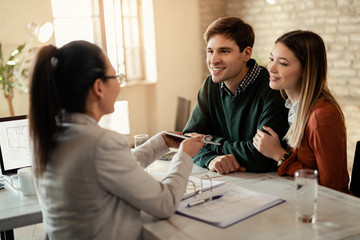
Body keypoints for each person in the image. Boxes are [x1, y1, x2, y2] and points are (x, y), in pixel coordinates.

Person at [29, 40, 205, 240]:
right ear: (98, 87)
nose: (119, 84)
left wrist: (160, 143)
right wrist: (183, 157)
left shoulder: (52, 134)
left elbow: (109, 168)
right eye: (116, 77)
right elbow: (165, 203)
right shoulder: (99, 142)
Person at [183, 17, 288, 174]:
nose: (213, 60)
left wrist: (208, 141)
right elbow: (187, 142)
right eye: (210, 51)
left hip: (267, 186)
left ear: (246, 54)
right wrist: (210, 160)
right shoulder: (209, 86)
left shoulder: (273, 88)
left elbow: (261, 157)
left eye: (224, 51)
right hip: (226, 181)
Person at [252, 30, 349, 193]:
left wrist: (280, 156)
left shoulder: (322, 116)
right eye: (271, 59)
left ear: (306, 70)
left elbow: (331, 188)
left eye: (282, 63)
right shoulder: (291, 107)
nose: (270, 67)